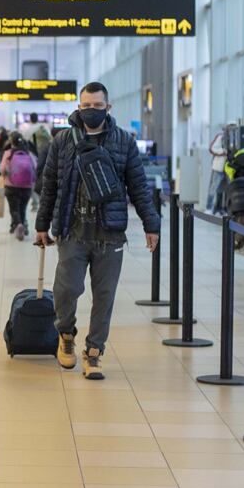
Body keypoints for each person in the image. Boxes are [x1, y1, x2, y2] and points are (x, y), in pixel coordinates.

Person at [35, 82, 160, 380]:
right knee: (67, 290)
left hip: (110, 232)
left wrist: (151, 224)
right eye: (86, 106)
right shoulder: (63, 141)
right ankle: (65, 334)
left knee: (104, 295)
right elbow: (49, 185)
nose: (91, 111)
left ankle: (94, 352)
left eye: (97, 106)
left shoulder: (123, 142)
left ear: (108, 107)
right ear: (78, 107)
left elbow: (139, 187)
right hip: (71, 229)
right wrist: (42, 225)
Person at [0, 133, 37, 239]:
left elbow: (2, 170)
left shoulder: (8, 153)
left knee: (14, 208)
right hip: (27, 186)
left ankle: (18, 224)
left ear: (12, 143)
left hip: (11, 185)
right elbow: (35, 167)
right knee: (23, 208)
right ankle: (23, 224)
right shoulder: (28, 153)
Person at [207, 130, 227, 214]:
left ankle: (219, 208)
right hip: (218, 167)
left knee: (223, 190)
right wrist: (223, 151)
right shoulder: (220, 136)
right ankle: (209, 207)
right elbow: (211, 148)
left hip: (228, 168)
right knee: (213, 188)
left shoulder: (237, 137)